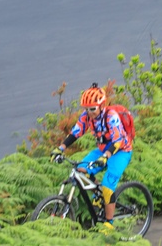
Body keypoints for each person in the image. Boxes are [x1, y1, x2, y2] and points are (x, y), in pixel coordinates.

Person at [50, 84, 133, 230]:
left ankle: (109, 223)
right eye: (86, 109)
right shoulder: (87, 116)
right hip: (102, 150)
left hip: (121, 151)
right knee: (81, 170)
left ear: (101, 106)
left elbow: (118, 141)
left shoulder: (111, 117)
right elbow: (75, 133)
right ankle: (99, 195)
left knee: (108, 186)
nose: (89, 112)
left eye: (92, 109)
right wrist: (60, 148)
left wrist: (106, 157)